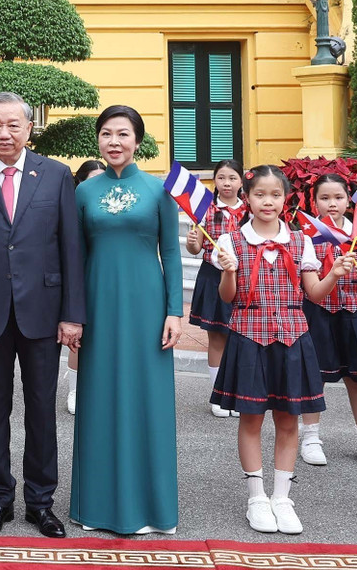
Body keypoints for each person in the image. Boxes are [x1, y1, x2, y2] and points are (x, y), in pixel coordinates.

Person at [0, 91, 84, 539]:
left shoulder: (57, 175)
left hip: (43, 313)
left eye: (13, 125)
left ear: (30, 128)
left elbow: (71, 248)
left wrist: (72, 315)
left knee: (41, 410)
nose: (4, 133)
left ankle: (41, 502)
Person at [212, 165, 351, 535]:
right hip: (247, 336)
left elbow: (314, 294)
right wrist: (228, 271)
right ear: (248, 197)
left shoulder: (300, 241)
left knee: (289, 419)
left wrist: (333, 273)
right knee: (251, 418)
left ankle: (282, 497)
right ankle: (256, 497)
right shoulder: (231, 241)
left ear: (285, 198)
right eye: (260, 194)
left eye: (275, 194)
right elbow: (228, 298)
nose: (268, 201)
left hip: (293, 338)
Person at [69, 105, 182, 535]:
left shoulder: (158, 191)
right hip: (98, 304)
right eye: (106, 134)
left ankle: (151, 508)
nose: (113, 142)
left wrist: (174, 311)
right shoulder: (83, 193)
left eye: (123, 134)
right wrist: (73, 315)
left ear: (138, 141)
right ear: (97, 140)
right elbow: (75, 257)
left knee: (147, 400)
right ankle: (96, 504)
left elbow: (170, 253)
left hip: (147, 305)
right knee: (99, 399)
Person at [300, 174, 357, 467]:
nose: (331, 204)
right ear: (315, 201)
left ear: (349, 200)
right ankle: (310, 437)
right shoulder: (307, 235)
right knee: (315, 376)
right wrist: (332, 274)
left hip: (355, 313)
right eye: (324, 198)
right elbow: (308, 285)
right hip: (318, 315)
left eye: (338, 197)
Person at [185, 159, 245, 418]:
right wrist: (191, 242)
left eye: (232, 178)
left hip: (245, 278)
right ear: (215, 181)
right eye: (221, 178)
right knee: (218, 336)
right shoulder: (203, 211)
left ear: (241, 181)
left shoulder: (251, 210)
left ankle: (241, 393)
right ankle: (218, 395)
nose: (227, 183)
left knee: (244, 338)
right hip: (212, 276)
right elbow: (195, 249)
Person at [63, 160, 106, 416]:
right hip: (82, 277)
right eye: (92, 179)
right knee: (80, 340)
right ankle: (74, 390)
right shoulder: (76, 206)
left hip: (106, 277)